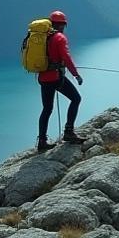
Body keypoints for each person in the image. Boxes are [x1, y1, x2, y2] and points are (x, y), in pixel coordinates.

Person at [37, 10, 84, 151]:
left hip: (43, 77)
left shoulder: (42, 37)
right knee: (76, 98)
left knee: (47, 108)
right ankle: (69, 132)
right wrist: (76, 75)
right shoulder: (59, 38)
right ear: (63, 25)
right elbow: (67, 58)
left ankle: (42, 141)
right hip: (56, 78)